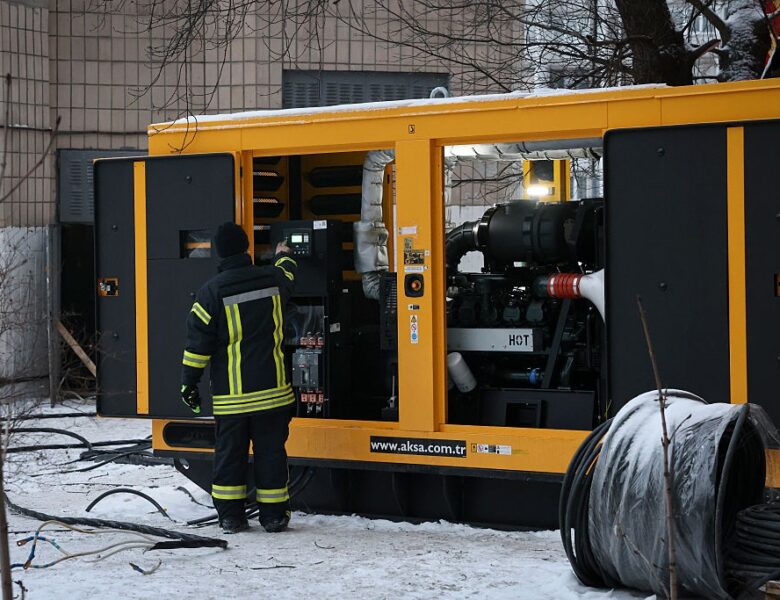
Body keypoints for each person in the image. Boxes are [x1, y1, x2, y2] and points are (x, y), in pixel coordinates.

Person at [180, 222, 297, 534]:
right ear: (246, 248)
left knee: (230, 456)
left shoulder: (211, 292)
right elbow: (287, 274)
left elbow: (197, 345)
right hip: (273, 394)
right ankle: (273, 517)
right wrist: (283, 255)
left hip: (233, 399)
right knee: (271, 455)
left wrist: (188, 383)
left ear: (219, 251)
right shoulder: (272, 278)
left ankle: (231, 517)